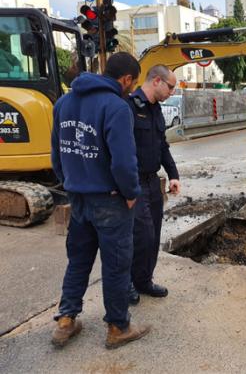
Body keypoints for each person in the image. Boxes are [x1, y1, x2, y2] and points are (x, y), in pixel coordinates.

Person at [50, 52, 151, 349]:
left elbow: (57, 155)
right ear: (127, 79)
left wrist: (72, 184)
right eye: (132, 85)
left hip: (78, 198)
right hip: (109, 201)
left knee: (78, 260)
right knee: (117, 265)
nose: (132, 90)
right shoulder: (117, 107)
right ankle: (118, 327)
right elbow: (123, 162)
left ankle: (66, 320)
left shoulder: (63, 103)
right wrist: (131, 193)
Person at [127, 64, 180, 305]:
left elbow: (162, 146)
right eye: (171, 87)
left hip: (152, 182)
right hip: (134, 183)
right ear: (157, 81)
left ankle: (144, 280)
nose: (172, 92)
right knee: (140, 236)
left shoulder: (156, 110)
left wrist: (173, 174)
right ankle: (127, 283)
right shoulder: (128, 106)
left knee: (154, 235)